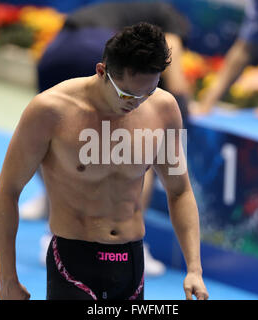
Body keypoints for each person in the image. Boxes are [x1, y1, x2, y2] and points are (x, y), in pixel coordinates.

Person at [0, 22, 208, 300]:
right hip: (73, 261)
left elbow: (179, 191)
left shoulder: (164, 110)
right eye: (128, 95)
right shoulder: (50, 111)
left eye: (148, 92)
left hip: (131, 261)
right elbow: (8, 191)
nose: (137, 103)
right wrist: (7, 278)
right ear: (102, 71)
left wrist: (194, 268)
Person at [21, 1, 193, 276]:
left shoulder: (117, 9)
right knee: (134, 145)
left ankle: (51, 207)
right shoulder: (167, 19)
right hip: (93, 47)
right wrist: (185, 105)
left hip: (55, 51)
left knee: (59, 133)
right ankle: (132, 241)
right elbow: (176, 73)